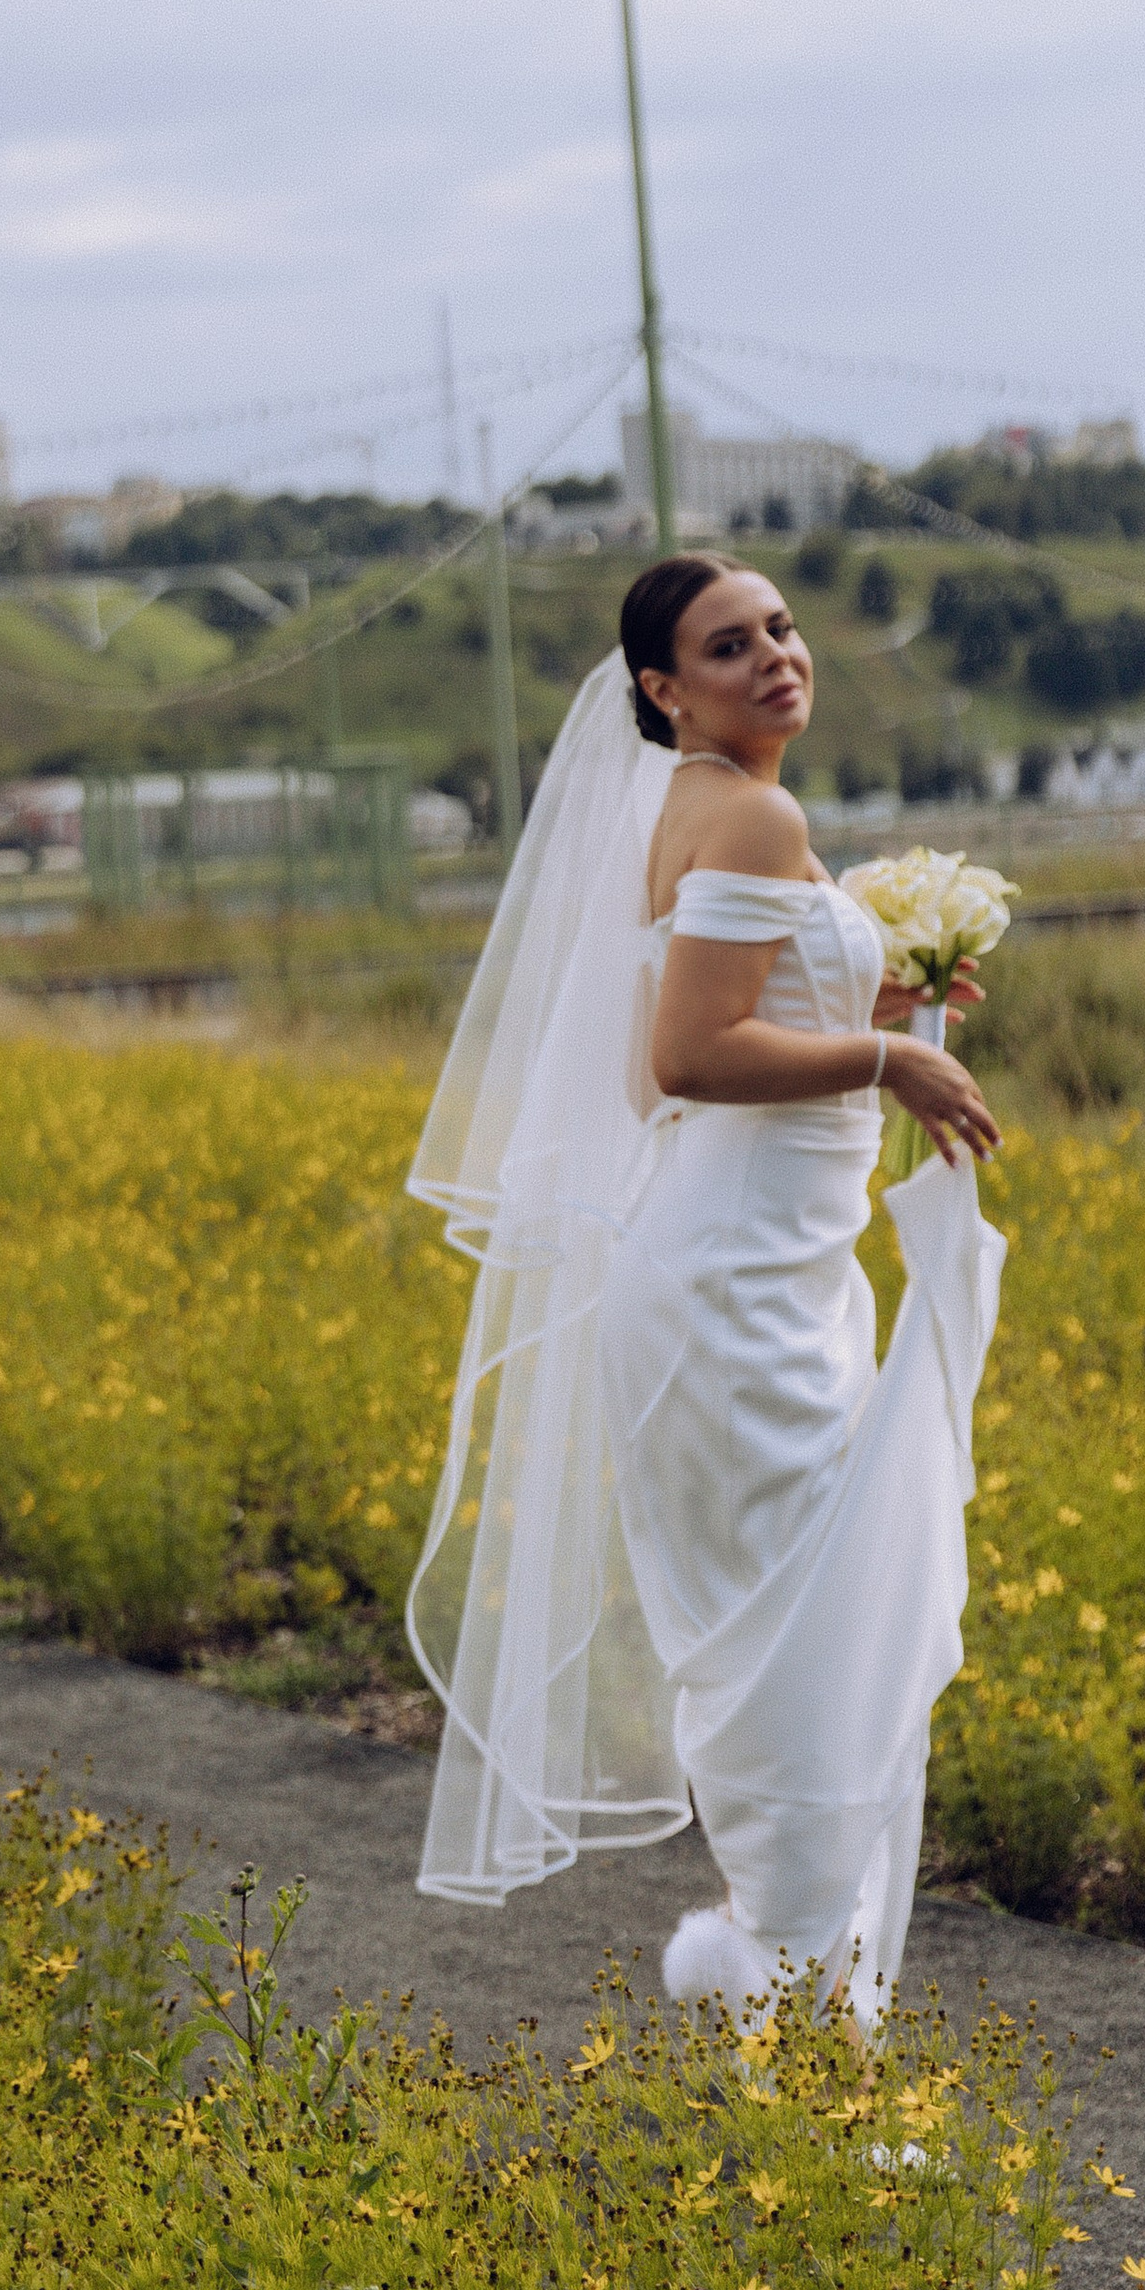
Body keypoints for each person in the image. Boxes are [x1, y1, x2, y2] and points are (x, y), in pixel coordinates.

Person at [406, 553, 1006, 2025]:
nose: (776, 657)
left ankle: (792, 2005)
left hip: (750, 1276)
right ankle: (795, 2014)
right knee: (815, 1648)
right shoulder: (749, 813)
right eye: (730, 647)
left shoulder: (691, 810)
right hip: (736, 1296)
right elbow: (686, 1061)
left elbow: (655, 1064)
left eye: (782, 629)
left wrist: (869, 1005)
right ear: (663, 689)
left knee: (810, 1631)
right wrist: (890, 1058)